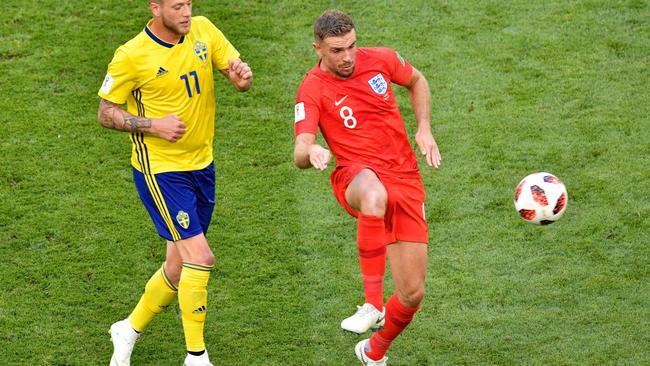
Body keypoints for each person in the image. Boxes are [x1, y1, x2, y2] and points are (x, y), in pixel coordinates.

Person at [97, 1, 252, 365]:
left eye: (189, 3)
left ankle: (128, 329)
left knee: (179, 266)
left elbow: (235, 73)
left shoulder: (204, 30)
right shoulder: (132, 55)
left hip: (202, 164)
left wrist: (241, 77)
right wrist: (153, 125)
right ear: (155, 7)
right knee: (201, 257)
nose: (186, 11)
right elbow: (105, 113)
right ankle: (196, 356)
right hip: (161, 171)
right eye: (177, 5)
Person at [293, 10, 441, 366]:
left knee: (411, 294)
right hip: (355, 175)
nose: (347, 57)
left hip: (405, 178)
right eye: (337, 50)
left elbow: (417, 80)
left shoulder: (382, 59)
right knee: (375, 195)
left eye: (351, 46)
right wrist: (311, 150)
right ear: (318, 48)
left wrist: (424, 127)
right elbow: (300, 150)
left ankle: (373, 352)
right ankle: (372, 304)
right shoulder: (311, 87)